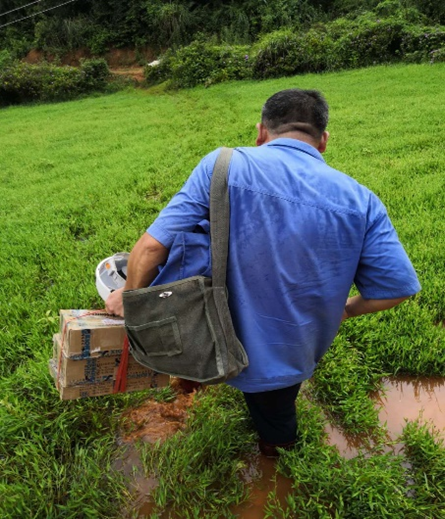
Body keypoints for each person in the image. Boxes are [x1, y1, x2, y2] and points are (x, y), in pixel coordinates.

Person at [106, 88, 421, 457]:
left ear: (260, 132)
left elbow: (152, 248)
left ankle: (196, 386)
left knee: (196, 369)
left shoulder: (221, 165)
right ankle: (277, 458)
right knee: (276, 419)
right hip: (288, 352)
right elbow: (395, 288)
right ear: (323, 141)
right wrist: (346, 309)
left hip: (205, 327)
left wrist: (129, 297)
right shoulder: (361, 200)